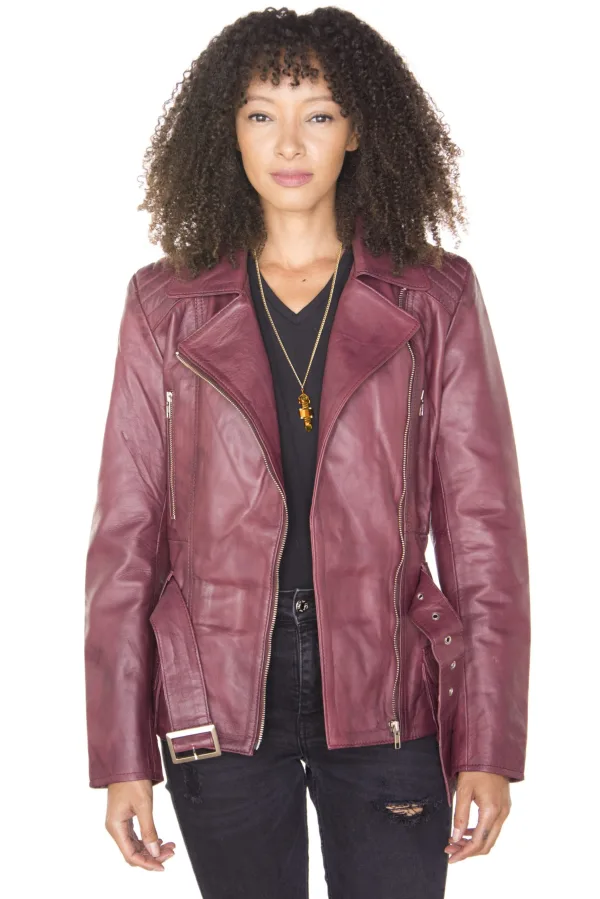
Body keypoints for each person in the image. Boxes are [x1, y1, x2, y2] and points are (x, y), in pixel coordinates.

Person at [83, 7, 531, 898]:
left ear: (358, 128)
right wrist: (120, 752)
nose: (289, 142)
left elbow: (482, 531)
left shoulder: (434, 295)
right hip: (215, 695)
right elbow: (127, 537)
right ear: (229, 130)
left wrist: (489, 740)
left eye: (318, 113)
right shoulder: (165, 304)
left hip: (389, 682)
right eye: (261, 113)